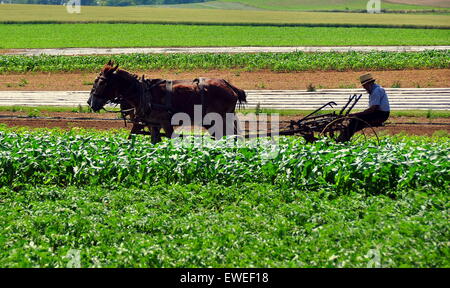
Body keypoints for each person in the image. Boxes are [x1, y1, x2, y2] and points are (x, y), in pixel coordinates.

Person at [338, 73, 390, 142]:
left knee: (355, 121)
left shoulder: (376, 91)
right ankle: (343, 138)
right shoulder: (374, 90)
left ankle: (342, 140)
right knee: (355, 120)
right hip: (379, 113)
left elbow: (373, 109)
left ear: (369, 84)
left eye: (364, 86)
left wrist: (357, 114)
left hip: (381, 115)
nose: (364, 88)